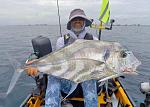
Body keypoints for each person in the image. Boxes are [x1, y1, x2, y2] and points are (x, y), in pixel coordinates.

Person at [26, 9, 99, 107]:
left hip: (86, 83)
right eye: (75, 19)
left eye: (80, 19)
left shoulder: (94, 40)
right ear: (70, 23)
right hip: (68, 84)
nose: (77, 21)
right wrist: (34, 60)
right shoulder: (61, 41)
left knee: (88, 76)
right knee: (53, 75)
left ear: (85, 22)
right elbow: (56, 61)